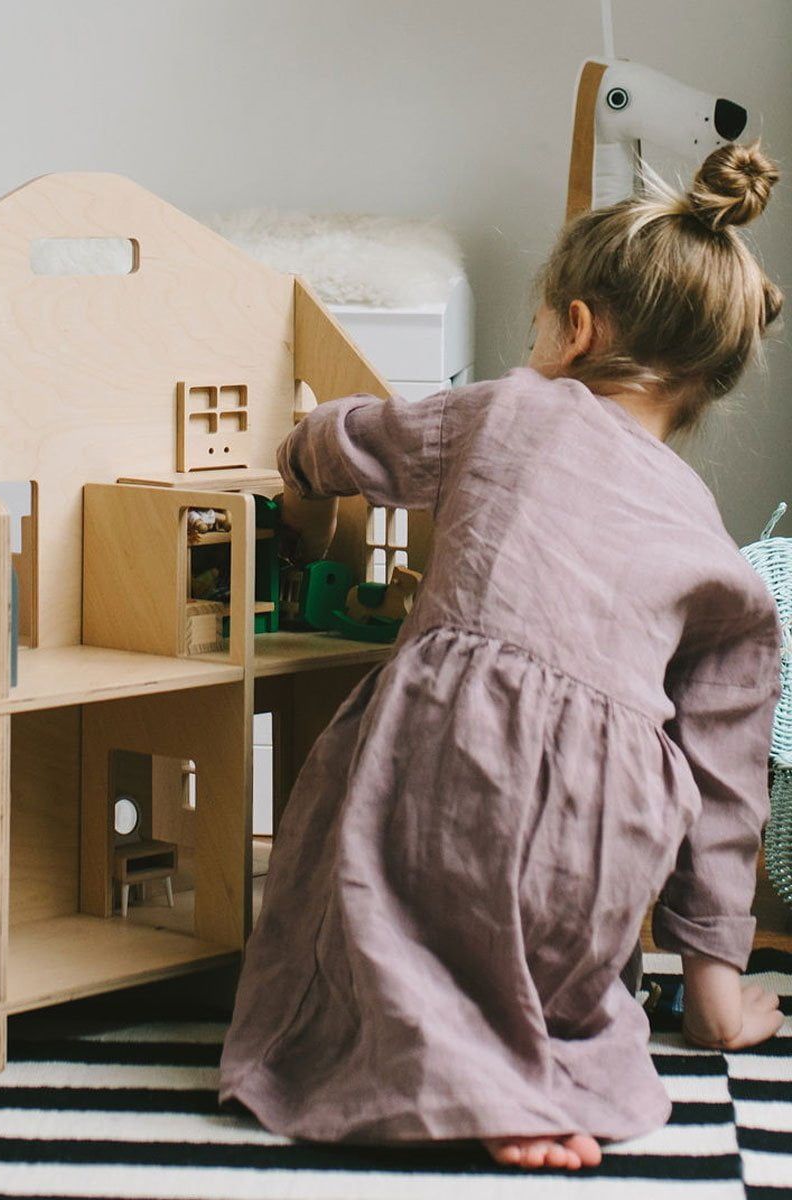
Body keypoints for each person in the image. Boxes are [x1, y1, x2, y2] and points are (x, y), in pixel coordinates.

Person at [218, 143, 786, 1171]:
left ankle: (476, 1086)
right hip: (609, 838)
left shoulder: (511, 406)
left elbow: (358, 438)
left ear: (575, 330)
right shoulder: (710, 536)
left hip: (460, 761)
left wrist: (297, 464)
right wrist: (713, 972)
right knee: (545, 973)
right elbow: (727, 768)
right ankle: (565, 1051)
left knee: (365, 913)